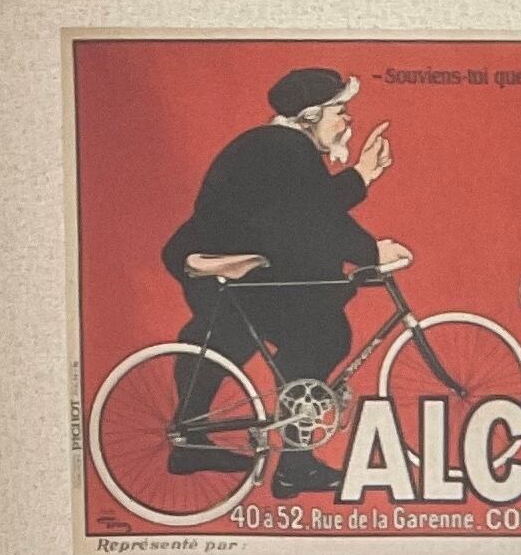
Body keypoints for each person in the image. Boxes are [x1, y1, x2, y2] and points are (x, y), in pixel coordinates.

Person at [159, 67, 413, 501]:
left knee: (225, 339)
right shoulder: (284, 147)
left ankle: (190, 443)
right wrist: (371, 251)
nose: (348, 119)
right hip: (232, 266)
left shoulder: (276, 145)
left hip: (220, 262)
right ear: (311, 115)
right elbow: (316, 217)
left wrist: (362, 179)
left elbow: (308, 207)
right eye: (340, 110)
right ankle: (295, 465)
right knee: (322, 336)